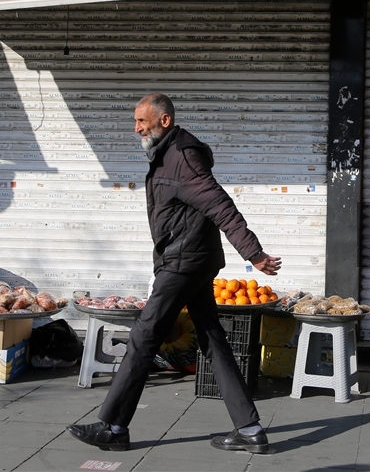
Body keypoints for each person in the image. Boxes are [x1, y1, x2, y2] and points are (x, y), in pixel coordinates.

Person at [67, 92, 282, 454]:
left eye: (142, 121)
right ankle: (249, 429)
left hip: (184, 263)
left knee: (144, 337)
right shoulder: (166, 153)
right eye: (135, 121)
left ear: (164, 120)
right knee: (212, 340)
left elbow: (220, 205)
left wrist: (253, 253)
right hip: (190, 259)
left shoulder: (182, 157)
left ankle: (113, 426)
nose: (136, 128)